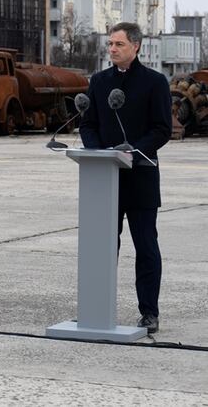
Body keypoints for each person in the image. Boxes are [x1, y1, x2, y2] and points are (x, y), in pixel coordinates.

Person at [79, 22, 171, 334]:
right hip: (105, 178)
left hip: (141, 176)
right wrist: (99, 154)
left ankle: (149, 312)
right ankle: (98, 309)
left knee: (146, 246)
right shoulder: (99, 81)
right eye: (110, 44)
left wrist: (132, 151)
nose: (112, 49)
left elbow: (162, 129)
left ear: (136, 47)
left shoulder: (155, 82)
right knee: (104, 247)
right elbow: (88, 123)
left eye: (118, 44)